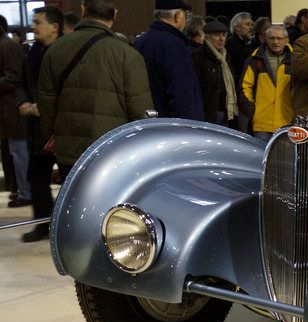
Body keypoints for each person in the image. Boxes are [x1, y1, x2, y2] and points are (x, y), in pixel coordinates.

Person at [38, 0, 153, 183]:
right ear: (115, 14)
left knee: (73, 204)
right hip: (111, 151)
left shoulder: (55, 49)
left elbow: (46, 101)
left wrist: (56, 137)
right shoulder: (128, 55)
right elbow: (140, 110)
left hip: (68, 148)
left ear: (83, 11)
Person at [15, 6, 62, 241]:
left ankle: (67, 229)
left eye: (37, 22)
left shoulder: (66, 50)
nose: (32, 26)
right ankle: (43, 224)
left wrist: (41, 108)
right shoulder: (33, 51)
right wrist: (23, 101)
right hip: (38, 129)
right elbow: (21, 81)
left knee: (71, 181)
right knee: (37, 177)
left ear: (54, 26)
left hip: (63, 129)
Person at [134, 0, 204, 121]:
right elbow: (182, 94)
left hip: (145, 124)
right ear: (177, 15)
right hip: (171, 128)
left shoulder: (140, 42)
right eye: (185, 15)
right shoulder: (175, 45)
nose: (185, 20)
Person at [239, 25, 293, 145]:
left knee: (285, 161)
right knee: (260, 159)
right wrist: (254, 113)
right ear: (266, 39)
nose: (275, 42)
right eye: (272, 38)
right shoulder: (254, 60)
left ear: (286, 40)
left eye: (279, 38)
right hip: (261, 124)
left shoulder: (295, 61)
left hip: (287, 122)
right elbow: (244, 87)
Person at [0, 14, 31, 208]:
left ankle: (26, 192)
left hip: (13, 107)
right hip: (8, 107)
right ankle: (22, 189)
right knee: (15, 151)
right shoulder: (4, 44)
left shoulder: (7, 46)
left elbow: (13, 77)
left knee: (19, 152)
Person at [192, 21, 238, 127]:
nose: (221, 39)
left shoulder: (226, 57)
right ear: (206, 37)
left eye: (223, 35)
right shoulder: (197, 57)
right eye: (216, 35)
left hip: (226, 111)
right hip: (208, 113)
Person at [225, 12, 254, 82]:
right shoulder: (229, 45)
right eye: (247, 24)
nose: (251, 28)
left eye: (252, 24)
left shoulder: (247, 44)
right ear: (237, 28)